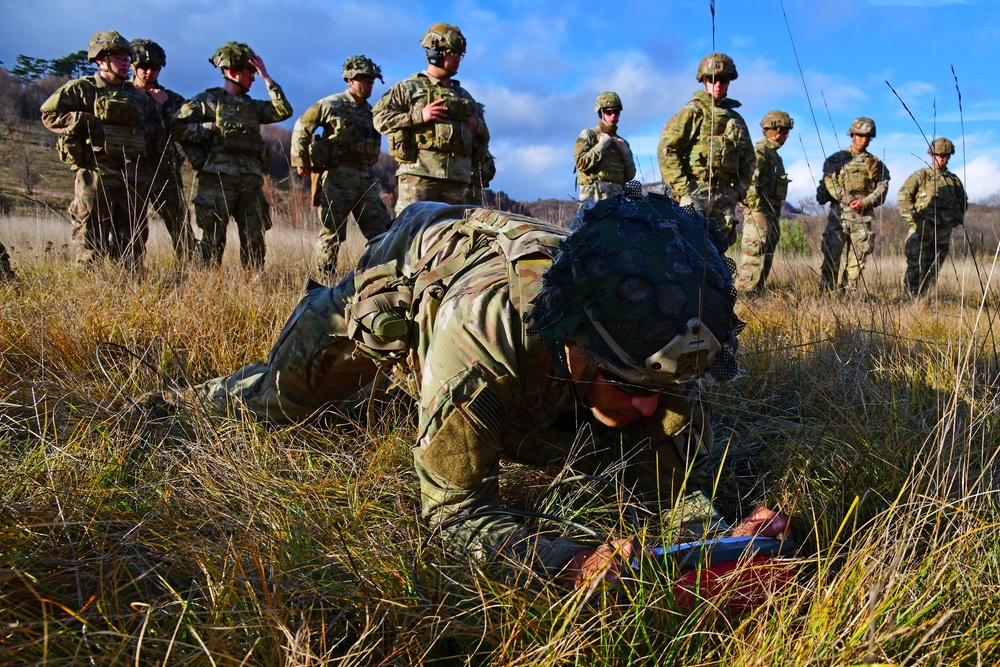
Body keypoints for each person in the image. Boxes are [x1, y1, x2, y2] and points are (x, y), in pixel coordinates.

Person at [141, 186, 790, 587]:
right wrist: (564, 559)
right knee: (280, 403)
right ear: (578, 346)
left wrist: (723, 538)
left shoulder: (652, 340)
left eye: (661, 387)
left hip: (514, 300)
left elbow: (670, 482)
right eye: (629, 384)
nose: (652, 404)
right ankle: (179, 401)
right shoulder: (486, 334)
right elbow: (452, 511)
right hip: (406, 268)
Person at [40, 31, 162, 270]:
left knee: (132, 242)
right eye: (118, 57)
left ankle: (130, 291)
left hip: (133, 176)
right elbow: (49, 115)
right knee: (90, 238)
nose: (125, 62)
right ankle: (90, 293)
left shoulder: (138, 96)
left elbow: (158, 128)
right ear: (100, 60)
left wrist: (143, 131)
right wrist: (80, 120)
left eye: (127, 57)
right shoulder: (81, 89)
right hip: (95, 173)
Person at [171, 42, 292, 270]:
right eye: (250, 73)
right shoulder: (208, 100)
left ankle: (253, 285)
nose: (253, 79)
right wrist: (209, 128)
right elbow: (176, 126)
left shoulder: (252, 107)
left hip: (250, 181)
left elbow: (284, 110)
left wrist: (267, 78)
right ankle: (205, 288)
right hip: (216, 180)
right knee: (212, 239)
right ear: (233, 72)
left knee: (255, 238)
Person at [372, 23, 491, 215]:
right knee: (412, 233)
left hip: (458, 180)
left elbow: (484, 138)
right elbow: (379, 118)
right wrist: (419, 116)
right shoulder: (408, 88)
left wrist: (478, 126)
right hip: (420, 175)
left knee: (456, 239)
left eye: (460, 55)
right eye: (452, 53)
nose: (457, 60)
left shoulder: (464, 96)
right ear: (435, 53)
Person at [291, 55, 392, 278]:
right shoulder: (331, 104)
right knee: (332, 231)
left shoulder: (371, 113)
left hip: (364, 177)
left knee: (382, 230)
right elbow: (302, 126)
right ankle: (324, 280)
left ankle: (381, 278)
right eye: (364, 80)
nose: (369, 85)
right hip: (337, 176)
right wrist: (301, 161)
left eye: (371, 81)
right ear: (350, 80)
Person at [657, 53, 754, 246]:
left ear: (729, 82)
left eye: (723, 80)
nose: (718, 84)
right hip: (695, 191)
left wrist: (738, 192)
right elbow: (667, 149)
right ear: (704, 81)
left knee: (718, 252)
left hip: (725, 196)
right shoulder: (693, 113)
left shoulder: (736, 120)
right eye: (712, 79)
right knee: (688, 249)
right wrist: (685, 188)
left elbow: (749, 160)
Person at [130, 38, 196, 262]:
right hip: (132, 169)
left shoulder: (172, 99)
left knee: (179, 224)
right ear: (133, 66)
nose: (149, 72)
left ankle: (193, 270)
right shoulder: (123, 95)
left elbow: (190, 126)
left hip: (165, 171)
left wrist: (167, 106)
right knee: (132, 225)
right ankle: (132, 271)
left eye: (155, 68)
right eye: (143, 67)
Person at [817, 117, 890, 291]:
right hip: (839, 214)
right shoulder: (837, 159)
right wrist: (849, 200)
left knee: (858, 260)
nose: (864, 139)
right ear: (852, 136)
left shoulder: (876, 164)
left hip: (863, 216)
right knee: (831, 256)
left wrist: (864, 202)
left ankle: (848, 295)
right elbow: (829, 182)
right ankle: (826, 294)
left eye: (867, 136)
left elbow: (882, 187)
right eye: (860, 135)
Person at [897, 137, 967, 297]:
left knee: (934, 266)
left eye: (945, 155)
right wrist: (913, 219)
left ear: (949, 156)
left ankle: (922, 297)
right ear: (931, 155)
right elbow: (903, 196)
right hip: (921, 230)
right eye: (937, 154)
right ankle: (910, 298)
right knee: (916, 264)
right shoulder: (921, 176)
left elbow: (963, 202)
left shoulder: (953, 180)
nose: (941, 158)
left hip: (943, 231)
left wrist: (956, 219)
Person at [735, 110, 793, 294]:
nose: (786, 135)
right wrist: (755, 209)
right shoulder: (760, 152)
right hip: (759, 214)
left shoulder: (774, 155)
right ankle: (744, 298)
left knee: (765, 257)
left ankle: (756, 295)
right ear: (773, 130)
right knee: (753, 258)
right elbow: (748, 181)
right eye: (783, 131)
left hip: (771, 213)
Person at [574, 92, 636, 205]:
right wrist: (601, 145)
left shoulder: (622, 143)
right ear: (601, 112)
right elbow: (580, 163)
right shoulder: (588, 135)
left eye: (616, 112)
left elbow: (630, 175)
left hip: (617, 200)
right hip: (594, 198)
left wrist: (625, 152)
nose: (613, 116)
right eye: (609, 112)